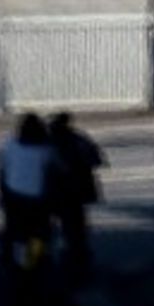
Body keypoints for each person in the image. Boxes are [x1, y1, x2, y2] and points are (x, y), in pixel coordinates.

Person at [46, 112, 106, 279]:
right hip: (76, 191)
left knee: (42, 229)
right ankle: (78, 257)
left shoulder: (45, 143)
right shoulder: (78, 139)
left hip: (53, 193)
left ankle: (34, 261)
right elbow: (96, 159)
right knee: (76, 227)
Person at [0, 113, 54, 274]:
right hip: (37, 198)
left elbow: (1, 169)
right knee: (39, 232)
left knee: (14, 229)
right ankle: (33, 260)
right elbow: (51, 172)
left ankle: (12, 258)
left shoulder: (10, 144)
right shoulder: (46, 149)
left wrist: (2, 192)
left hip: (13, 196)